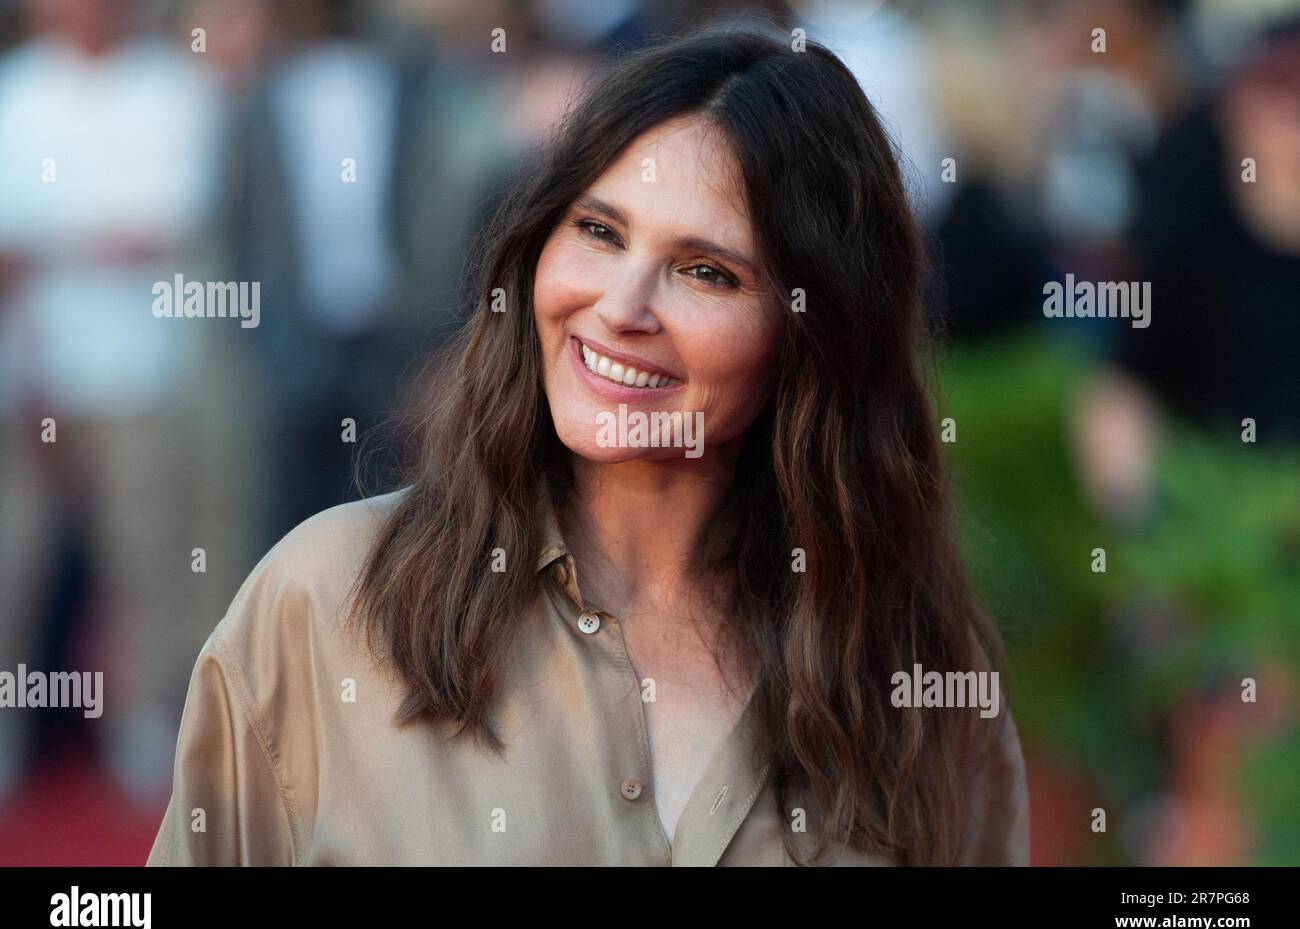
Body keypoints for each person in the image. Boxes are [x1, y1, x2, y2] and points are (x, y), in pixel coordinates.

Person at [147, 28, 1029, 866]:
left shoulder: (920, 683)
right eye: (599, 232)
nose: (620, 305)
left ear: (817, 330)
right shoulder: (323, 605)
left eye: (706, 271)